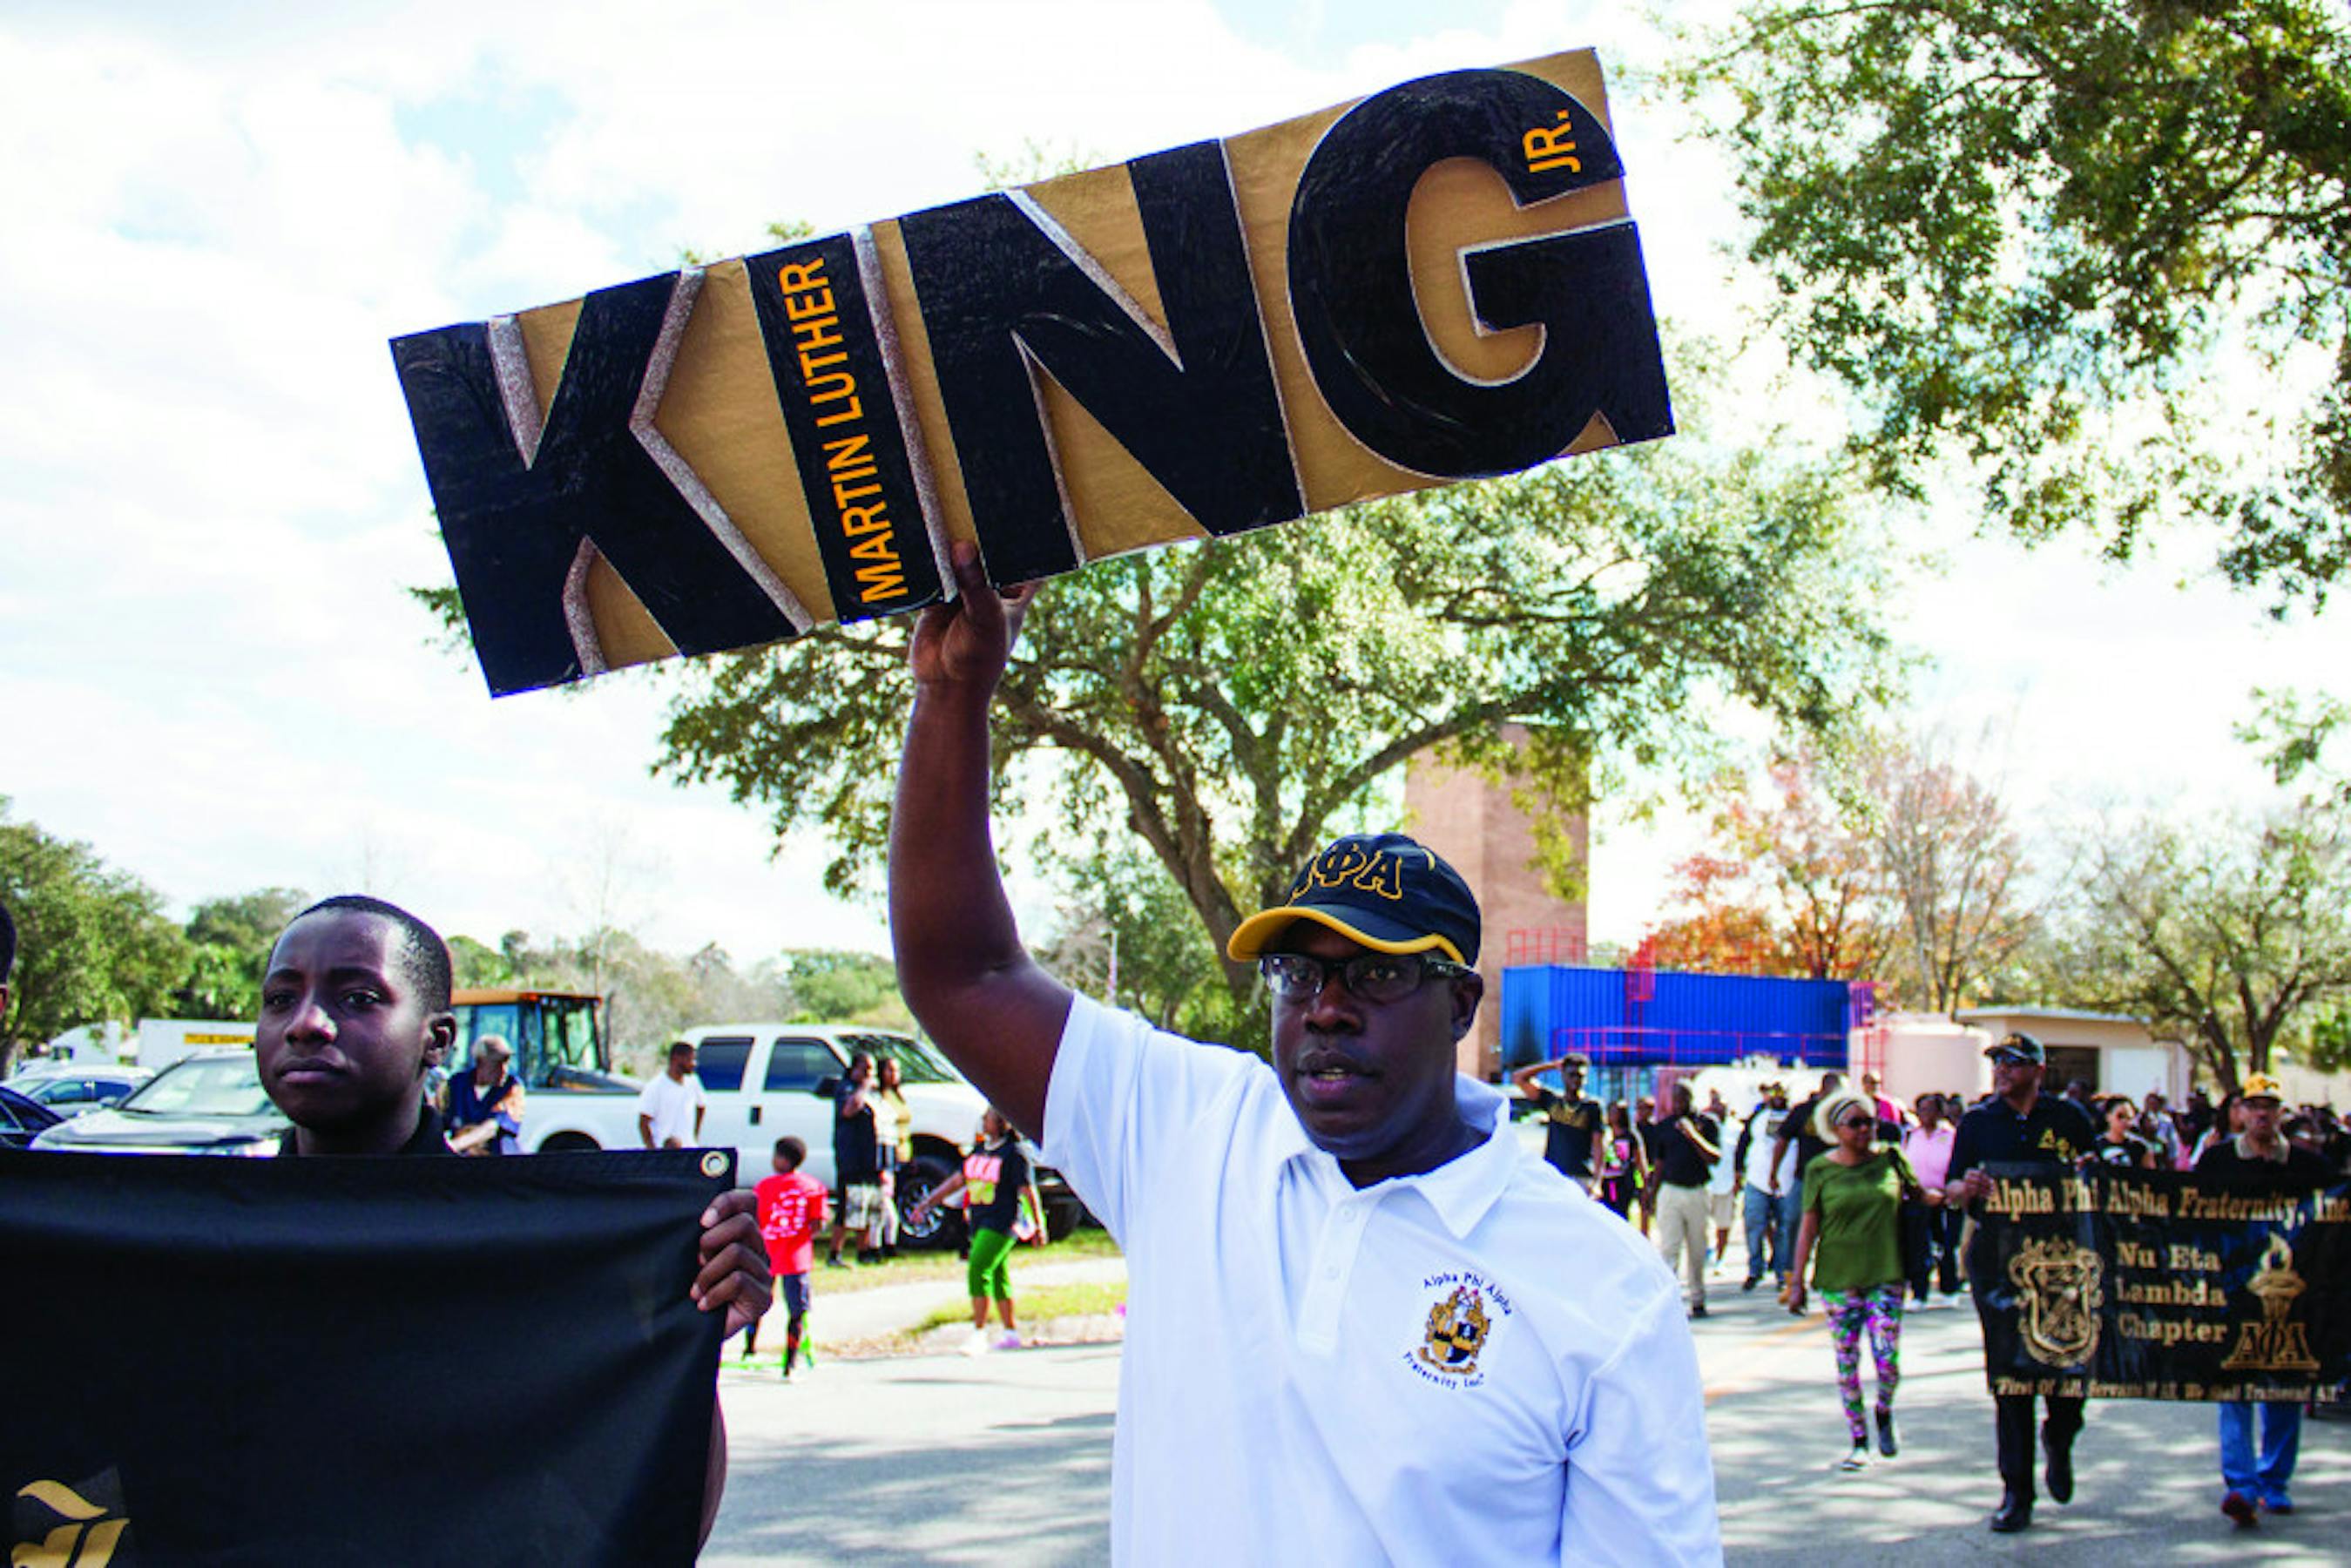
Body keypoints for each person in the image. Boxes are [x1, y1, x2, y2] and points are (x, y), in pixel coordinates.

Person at [885, 545, 1720, 1563]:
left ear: (1458, 1006)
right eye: (1295, 973)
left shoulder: (1603, 1290)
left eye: (1372, 976)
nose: (1324, 1009)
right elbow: (961, 975)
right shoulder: (1193, 1132)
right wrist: (953, 692)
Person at [253, 895, 768, 1545]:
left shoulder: (541, 1257)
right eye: (280, 998)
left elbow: (641, 1529)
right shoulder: (200, 1248)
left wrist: (682, 1353)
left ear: (438, 1039)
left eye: (358, 998)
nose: (306, 1023)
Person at [1943, 1031, 2098, 1534]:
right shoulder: (1978, 1122)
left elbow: (2099, 1177)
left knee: (2068, 1373)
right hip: (2000, 1261)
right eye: (1997, 1062)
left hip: (2063, 1264)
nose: (2002, 1070)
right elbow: (1951, 1186)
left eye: (2012, 1062)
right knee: (2011, 1380)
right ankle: (2016, 1492)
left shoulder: (2069, 1118)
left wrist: (2088, 1172)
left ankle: (2061, 1436)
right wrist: (1966, 1188)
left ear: (2038, 1069)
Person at [2192, 1073, 2334, 1526]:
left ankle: (2274, 1481)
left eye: (2269, 1106)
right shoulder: (2216, 1160)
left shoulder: (2309, 1165)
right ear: (2240, 1111)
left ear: (2279, 1113)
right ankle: (2241, 1485)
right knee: (2233, 1387)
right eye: (2253, 1105)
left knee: (2284, 1387)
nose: (2261, 1114)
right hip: (2233, 1292)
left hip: (2291, 1295)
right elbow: (2189, 1213)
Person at [1786, 1091, 1936, 1470]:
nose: (1865, 1130)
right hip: (1839, 1278)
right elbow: (1809, 1225)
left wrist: (1955, 1194)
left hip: (1885, 1273)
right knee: (1847, 1363)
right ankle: (1858, 1440)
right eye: (1855, 1123)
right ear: (1836, 1129)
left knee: (1888, 1360)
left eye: (1870, 1122)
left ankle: (1884, 1410)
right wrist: (1796, 1280)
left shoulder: (1891, 1159)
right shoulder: (1820, 1169)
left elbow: (1920, 1195)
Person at [910, 1107, 1043, 1353]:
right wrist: (929, 1203)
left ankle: (979, 1332)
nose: (983, 1121)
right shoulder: (980, 1150)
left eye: (988, 1118)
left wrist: (1038, 1223)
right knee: (998, 1275)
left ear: (1002, 1123)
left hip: (1002, 1221)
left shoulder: (1014, 1153)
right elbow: (958, 1180)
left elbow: (1027, 1190)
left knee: (978, 1268)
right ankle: (1010, 1332)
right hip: (979, 1218)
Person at [747, 1135, 828, 1376]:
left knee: (756, 1302)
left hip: (766, 1253)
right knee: (796, 1311)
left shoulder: (764, 1186)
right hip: (796, 1256)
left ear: (781, 1159)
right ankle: (790, 1362)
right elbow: (818, 1223)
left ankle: (749, 1349)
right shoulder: (813, 1187)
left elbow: (754, 1217)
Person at [1650, 1082, 1720, 1317]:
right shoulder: (1665, 1126)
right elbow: (1659, 1162)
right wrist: (1652, 1192)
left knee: (1697, 1249)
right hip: (1671, 1191)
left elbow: (1715, 1157)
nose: (1678, 1104)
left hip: (1697, 1191)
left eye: (1683, 1099)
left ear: (1691, 1098)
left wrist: (1693, 1135)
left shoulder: (1706, 1124)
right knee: (1669, 1248)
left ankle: (1698, 1298)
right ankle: (1669, 1301)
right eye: (1675, 1099)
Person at [1771, 1071, 1843, 1275]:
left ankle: (1829, 1274)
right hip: (1805, 1179)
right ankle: (1790, 1274)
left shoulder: (1843, 1113)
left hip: (1837, 1180)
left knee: (1833, 1228)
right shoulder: (1803, 1111)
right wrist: (1773, 1172)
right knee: (1793, 1221)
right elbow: (1782, 1140)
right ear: (1824, 1089)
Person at [1510, 1052, 1603, 1189]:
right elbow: (1518, 1078)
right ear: (1563, 1076)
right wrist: (1552, 1065)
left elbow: (1598, 1145)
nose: (1576, 1080)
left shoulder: (1592, 1106)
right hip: (1552, 1173)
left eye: (1580, 1076)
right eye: (1571, 1075)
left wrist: (1597, 1181)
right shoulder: (1553, 1100)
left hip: (1580, 1175)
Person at [1901, 1093, 1962, 1301]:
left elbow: (1958, 1164)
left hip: (1945, 1198)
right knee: (1918, 1247)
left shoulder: (1950, 1135)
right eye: (1921, 1110)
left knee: (1946, 1245)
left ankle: (1949, 1288)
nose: (1925, 1114)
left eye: (1930, 1109)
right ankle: (1919, 1292)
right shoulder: (1910, 1135)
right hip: (1917, 1198)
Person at [827, 1051, 883, 1267]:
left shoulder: (875, 1094)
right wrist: (864, 1087)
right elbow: (849, 1110)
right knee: (847, 1206)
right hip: (851, 1157)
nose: (870, 1074)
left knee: (869, 1206)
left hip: (871, 1158)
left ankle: (864, 1250)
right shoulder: (846, 1089)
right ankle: (835, 1253)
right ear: (855, 1069)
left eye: (872, 1070)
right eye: (865, 1069)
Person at [1735, 1084, 1790, 1291]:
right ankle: (1755, 1269)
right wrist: (1738, 1170)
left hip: (1786, 1184)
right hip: (1757, 1181)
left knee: (1784, 1230)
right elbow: (1743, 1143)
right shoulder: (1757, 1118)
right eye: (1774, 1093)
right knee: (1753, 1224)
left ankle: (1782, 1273)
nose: (1777, 1097)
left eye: (1781, 1093)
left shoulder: (1794, 1118)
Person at [443, 1033, 525, 1155]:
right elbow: (440, 1118)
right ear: (480, 1062)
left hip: (498, 1159)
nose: (504, 1070)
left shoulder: (513, 1086)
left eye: (506, 1062)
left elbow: (492, 1127)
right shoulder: (456, 1084)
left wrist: (455, 1145)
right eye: (497, 1063)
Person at [873, 1054, 915, 1260]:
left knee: (895, 1199)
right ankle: (881, 1244)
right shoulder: (879, 1097)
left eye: (897, 1070)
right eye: (890, 1070)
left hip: (902, 1152)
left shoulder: (898, 1095)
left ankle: (891, 1239)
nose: (894, 1074)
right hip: (887, 1154)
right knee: (884, 1202)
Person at [638, 1040, 706, 1149]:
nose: (694, 1064)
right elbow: (643, 1123)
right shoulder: (656, 1087)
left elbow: (701, 1106)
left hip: (689, 1149)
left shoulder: (693, 1082)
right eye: (690, 1059)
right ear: (676, 1058)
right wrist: (653, 1151)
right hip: (665, 1150)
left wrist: (694, 1136)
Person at [1704, 1088, 1739, 1267]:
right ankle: (1707, 1251)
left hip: (1727, 1182)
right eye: (1715, 1104)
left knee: (1724, 1223)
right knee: (1702, 1223)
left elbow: (1741, 1157)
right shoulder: (1704, 1125)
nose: (1719, 1108)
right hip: (1707, 1182)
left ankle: (1720, 1257)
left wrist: (1738, 1181)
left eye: (1722, 1105)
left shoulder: (1736, 1128)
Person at [1597, 1100, 1649, 1221]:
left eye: (1616, 1112)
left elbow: (1640, 1159)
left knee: (1620, 1213)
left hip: (1623, 1181)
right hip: (1607, 1180)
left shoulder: (1630, 1135)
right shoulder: (1605, 1133)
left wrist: (1645, 1183)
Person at [2084, 1095, 2157, 1170]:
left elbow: (2151, 1174)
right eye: (2120, 1116)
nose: (2125, 1121)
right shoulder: (2096, 1145)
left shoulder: (2141, 1147)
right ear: (2108, 1116)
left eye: (2129, 1118)